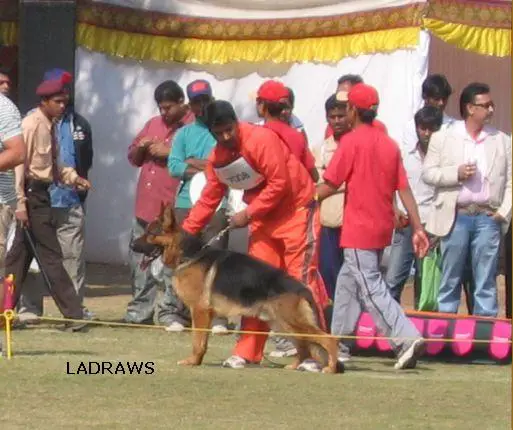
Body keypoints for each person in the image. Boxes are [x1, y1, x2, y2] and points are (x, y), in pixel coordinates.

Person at [181, 100, 329, 369]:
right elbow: (209, 198)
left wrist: (247, 215)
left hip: (296, 211)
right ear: (212, 133)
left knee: (300, 280)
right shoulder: (217, 159)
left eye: (230, 129)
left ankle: (316, 353)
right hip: (263, 219)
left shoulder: (261, 139)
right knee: (252, 284)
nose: (226, 136)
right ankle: (248, 351)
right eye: (220, 133)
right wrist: (186, 233)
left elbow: (280, 184)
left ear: (237, 122)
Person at [317, 83, 429, 369]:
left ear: (353, 110)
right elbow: (404, 190)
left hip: (358, 229)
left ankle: (405, 337)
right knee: (347, 283)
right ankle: (338, 345)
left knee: (370, 287)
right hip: (382, 228)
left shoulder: (351, 142)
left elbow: (329, 184)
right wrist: (417, 227)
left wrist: (303, 197)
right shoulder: (389, 144)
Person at [5, 74, 91, 331]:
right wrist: (20, 204)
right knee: (52, 257)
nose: (63, 106)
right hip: (31, 197)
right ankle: (74, 315)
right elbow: (19, 165)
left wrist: (74, 177)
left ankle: (2, 312)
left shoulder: (50, 124)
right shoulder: (32, 125)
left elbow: (54, 164)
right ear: (44, 101)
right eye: (58, 101)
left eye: (65, 101)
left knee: (16, 262)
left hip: (42, 194)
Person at [422, 82, 512, 317]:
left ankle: (484, 332)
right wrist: (456, 174)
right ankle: (446, 330)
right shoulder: (444, 137)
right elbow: (428, 173)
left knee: (486, 279)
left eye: (492, 105)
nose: (491, 110)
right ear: (470, 108)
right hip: (456, 215)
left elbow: (511, 181)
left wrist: (503, 212)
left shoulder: (502, 140)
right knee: (450, 277)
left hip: (487, 216)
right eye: (486, 105)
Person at [125, 80, 193, 325]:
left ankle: (172, 313)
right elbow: (132, 156)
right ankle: (140, 311)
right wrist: (142, 147)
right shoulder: (153, 124)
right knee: (139, 259)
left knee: (173, 262)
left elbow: (202, 162)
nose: (164, 113)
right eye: (160, 108)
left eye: (168, 108)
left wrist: (170, 152)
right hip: (145, 205)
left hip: (172, 210)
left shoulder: (193, 126)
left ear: (181, 103)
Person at [167, 79, 229, 333]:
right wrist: (201, 165)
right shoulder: (184, 133)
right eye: (196, 101)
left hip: (218, 203)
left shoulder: (222, 131)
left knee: (216, 261)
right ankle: (179, 314)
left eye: (205, 100)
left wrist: (196, 163)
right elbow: (174, 166)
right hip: (185, 203)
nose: (201, 105)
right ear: (189, 105)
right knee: (183, 259)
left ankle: (219, 317)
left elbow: (224, 166)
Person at [385, 105, 443, 305]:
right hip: (405, 222)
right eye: (422, 128)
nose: (426, 134)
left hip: (430, 225)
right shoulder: (405, 154)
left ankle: (422, 329)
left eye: (431, 129)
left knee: (424, 280)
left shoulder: (445, 158)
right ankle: (390, 327)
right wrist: (394, 209)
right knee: (393, 279)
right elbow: (391, 182)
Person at [313, 92, 351, 303]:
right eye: (332, 116)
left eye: (341, 116)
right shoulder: (322, 148)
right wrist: (342, 182)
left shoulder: (355, 144)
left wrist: (331, 182)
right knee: (328, 274)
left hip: (352, 223)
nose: (337, 121)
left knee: (352, 278)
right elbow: (315, 184)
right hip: (328, 222)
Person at [257, 80, 318, 182]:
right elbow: (314, 176)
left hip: (268, 195)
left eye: (258, 101)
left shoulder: (256, 136)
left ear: (262, 105)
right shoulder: (297, 135)